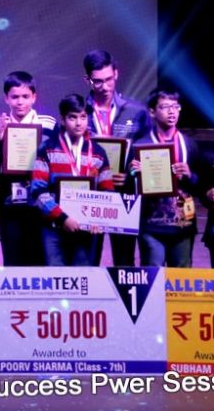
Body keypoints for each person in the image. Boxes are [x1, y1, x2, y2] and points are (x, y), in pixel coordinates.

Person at [83, 49, 150, 266]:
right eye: (97, 81)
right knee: (87, 260)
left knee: (124, 261)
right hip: (89, 197)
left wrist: (130, 175)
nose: (104, 87)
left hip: (124, 195)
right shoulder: (78, 112)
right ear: (87, 79)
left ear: (116, 74)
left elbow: (148, 154)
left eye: (108, 79)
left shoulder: (136, 111)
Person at [30, 94, 113, 267]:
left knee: (83, 279)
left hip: (87, 231)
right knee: (56, 279)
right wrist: (63, 218)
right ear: (62, 120)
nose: (78, 123)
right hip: (54, 228)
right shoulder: (47, 148)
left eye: (83, 117)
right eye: (72, 117)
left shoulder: (98, 152)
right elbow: (37, 191)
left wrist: (99, 219)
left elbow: (107, 192)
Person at [130, 89, 207, 268]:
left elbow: (201, 185)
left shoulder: (189, 144)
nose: (172, 112)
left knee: (181, 279)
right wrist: (134, 175)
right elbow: (128, 185)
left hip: (183, 225)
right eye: (165, 107)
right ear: (152, 112)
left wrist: (190, 175)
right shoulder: (140, 145)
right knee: (152, 277)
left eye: (175, 106)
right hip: (151, 226)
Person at [0, 71, 56, 266]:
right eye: (15, 97)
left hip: (39, 198)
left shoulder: (48, 123)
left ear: (34, 97)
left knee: (39, 256)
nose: (20, 102)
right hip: (8, 199)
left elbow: (55, 157)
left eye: (25, 96)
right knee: (12, 257)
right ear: (6, 98)